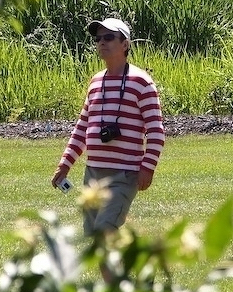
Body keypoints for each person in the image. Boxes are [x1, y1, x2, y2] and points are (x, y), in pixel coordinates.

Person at [51, 17, 165, 237]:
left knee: (105, 232)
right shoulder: (95, 82)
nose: (102, 42)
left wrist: (147, 168)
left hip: (124, 175)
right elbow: (82, 127)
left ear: (125, 44)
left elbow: (156, 131)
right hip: (93, 173)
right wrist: (65, 164)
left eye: (109, 37)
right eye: (98, 38)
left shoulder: (142, 83)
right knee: (94, 237)